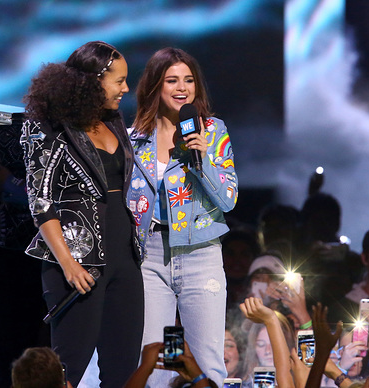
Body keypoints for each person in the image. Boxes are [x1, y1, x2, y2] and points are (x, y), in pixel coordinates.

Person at [21, 41, 144, 387]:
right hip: (78, 263)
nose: (125, 89)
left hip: (125, 257)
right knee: (68, 367)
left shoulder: (114, 120)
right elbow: (41, 202)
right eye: (118, 81)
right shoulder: (47, 127)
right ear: (93, 80)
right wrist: (68, 264)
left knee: (123, 368)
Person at [127, 47, 238, 387]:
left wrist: (202, 159)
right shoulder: (134, 139)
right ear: (154, 86)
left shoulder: (213, 132)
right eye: (171, 80)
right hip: (149, 258)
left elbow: (229, 199)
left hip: (200, 253)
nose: (182, 88)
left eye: (188, 80)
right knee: (155, 364)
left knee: (207, 362)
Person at [239, 297, 295, 388]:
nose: (268, 351)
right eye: (261, 345)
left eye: (273, 345)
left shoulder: (303, 380)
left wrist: (271, 319)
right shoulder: (244, 384)